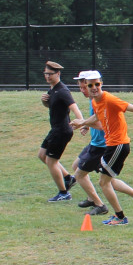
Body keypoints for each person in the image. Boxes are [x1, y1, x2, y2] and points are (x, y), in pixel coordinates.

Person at [69, 75, 133, 226]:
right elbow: (97, 116)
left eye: (97, 84)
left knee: (104, 182)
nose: (94, 88)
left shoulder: (110, 100)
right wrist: (83, 123)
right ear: (86, 86)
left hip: (118, 145)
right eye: (90, 85)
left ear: (101, 84)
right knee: (108, 180)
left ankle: (120, 217)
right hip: (112, 145)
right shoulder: (95, 101)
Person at [37, 61, 82, 202]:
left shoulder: (62, 90)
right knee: (42, 155)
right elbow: (54, 107)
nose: (48, 76)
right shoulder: (53, 90)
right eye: (46, 74)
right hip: (55, 129)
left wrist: (82, 122)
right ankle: (68, 179)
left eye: (51, 74)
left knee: (51, 161)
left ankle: (64, 193)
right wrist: (45, 101)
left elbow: (74, 107)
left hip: (62, 131)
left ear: (58, 74)